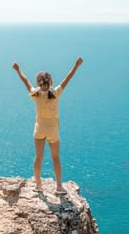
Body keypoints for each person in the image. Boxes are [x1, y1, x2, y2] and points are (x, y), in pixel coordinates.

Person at [12, 57, 83, 193]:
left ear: (38, 83)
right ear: (50, 82)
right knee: (55, 158)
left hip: (39, 129)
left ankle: (38, 185)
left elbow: (25, 81)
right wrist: (76, 65)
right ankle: (59, 186)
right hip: (53, 130)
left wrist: (18, 69)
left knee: (38, 157)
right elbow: (68, 78)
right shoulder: (56, 93)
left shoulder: (35, 94)